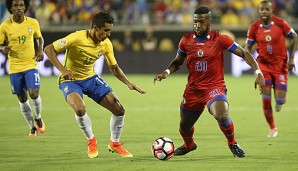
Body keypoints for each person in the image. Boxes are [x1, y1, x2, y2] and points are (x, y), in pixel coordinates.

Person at [154, 6, 265, 158]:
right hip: (193, 90)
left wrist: (258, 72)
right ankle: (189, 145)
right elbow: (177, 62)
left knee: (221, 114)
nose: (197, 25)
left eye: (201, 22)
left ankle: (232, 143)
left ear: (210, 21)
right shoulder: (186, 40)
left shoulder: (220, 39)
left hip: (214, 87)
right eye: (195, 22)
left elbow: (244, 53)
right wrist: (166, 72)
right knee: (184, 125)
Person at [44, 12, 146, 159]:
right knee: (80, 109)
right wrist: (63, 70)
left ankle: (114, 143)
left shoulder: (106, 44)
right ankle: (91, 140)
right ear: (96, 28)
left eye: (110, 30)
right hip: (70, 80)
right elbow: (49, 49)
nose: (109, 34)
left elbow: (114, 68)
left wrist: (128, 83)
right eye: (106, 30)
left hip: (91, 79)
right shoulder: (76, 37)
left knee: (119, 110)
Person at [245, 0, 297, 138]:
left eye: (267, 9)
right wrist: (255, 67)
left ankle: (280, 101)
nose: (264, 12)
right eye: (261, 9)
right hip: (264, 66)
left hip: (280, 66)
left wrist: (291, 58)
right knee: (266, 98)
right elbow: (247, 49)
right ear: (258, 11)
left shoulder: (281, 23)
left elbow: (294, 36)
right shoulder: (254, 28)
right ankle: (272, 128)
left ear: (271, 10)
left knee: (279, 100)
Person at [0, 0, 45, 136]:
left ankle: (37, 116)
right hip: (14, 67)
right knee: (22, 98)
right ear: (10, 8)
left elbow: (40, 38)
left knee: (34, 93)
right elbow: (0, 44)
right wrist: (4, 48)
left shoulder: (33, 22)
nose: (19, 8)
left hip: (30, 64)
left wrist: (40, 50)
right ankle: (31, 126)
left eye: (21, 5)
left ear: (25, 7)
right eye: (16, 5)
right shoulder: (5, 26)